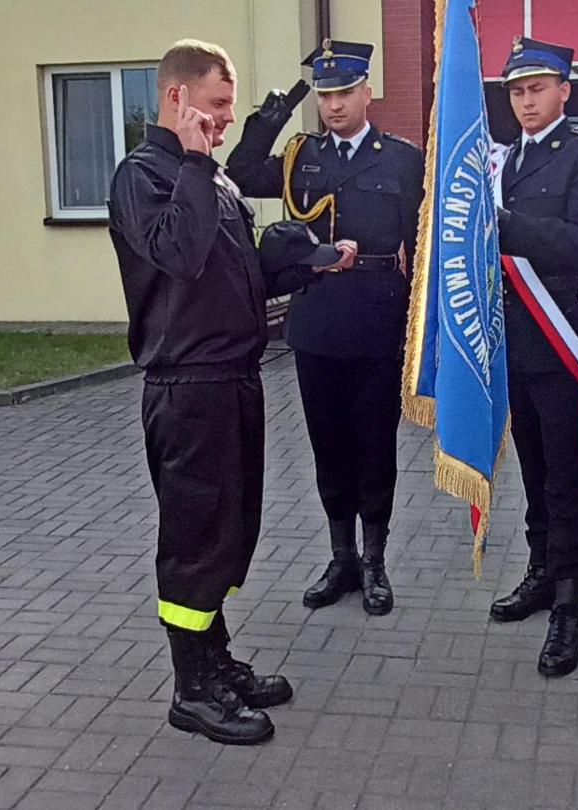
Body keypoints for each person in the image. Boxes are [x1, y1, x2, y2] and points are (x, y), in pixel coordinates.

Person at [109, 40, 355, 745]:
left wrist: (308, 266)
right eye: (216, 109)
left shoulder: (209, 180)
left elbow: (238, 280)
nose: (223, 125)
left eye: (226, 111)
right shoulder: (146, 174)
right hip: (186, 388)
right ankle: (191, 691)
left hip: (233, 382)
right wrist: (192, 160)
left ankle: (215, 663)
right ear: (176, 98)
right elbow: (179, 256)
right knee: (193, 541)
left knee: (225, 536)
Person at [225, 40, 423, 616]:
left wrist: (417, 326)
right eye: (324, 95)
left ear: (367, 92)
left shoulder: (402, 159)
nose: (333, 105)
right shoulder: (299, 156)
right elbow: (238, 171)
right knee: (328, 446)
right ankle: (341, 559)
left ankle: (375, 561)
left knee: (374, 446)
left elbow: (424, 241)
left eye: (343, 93)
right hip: (315, 322)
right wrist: (274, 114)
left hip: (379, 320)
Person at [486, 37, 578, 678]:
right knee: (537, 474)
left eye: (537, 88)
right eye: (516, 90)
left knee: (568, 481)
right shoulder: (502, 158)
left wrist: (502, 220)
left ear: (565, 89)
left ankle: (568, 605)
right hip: (514, 343)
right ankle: (541, 572)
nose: (525, 100)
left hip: (564, 340)